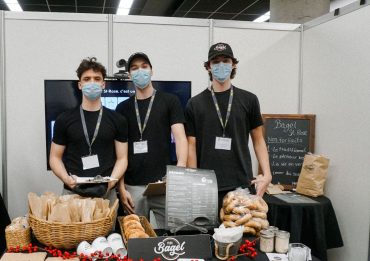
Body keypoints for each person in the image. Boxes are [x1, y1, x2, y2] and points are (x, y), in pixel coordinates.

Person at [185, 42, 272, 210]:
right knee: (208, 235)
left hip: (241, 183)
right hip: (206, 185)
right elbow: (191, 145)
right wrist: (195, 181)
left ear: (234, 65)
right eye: (215, 62)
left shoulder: (249, 100)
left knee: (242, 233)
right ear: (208, 67)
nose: (221, 65)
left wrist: (267, 174)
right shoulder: (194, 104)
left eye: (226, 60)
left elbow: (259, 140)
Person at [116, 52, 188, 228]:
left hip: (163, 185)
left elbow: (180, 139)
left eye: (144, 66)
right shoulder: (122, 108)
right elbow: (119, 153)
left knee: (171, 238)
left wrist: (178, 174)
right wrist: (121, 188)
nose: (140, 71)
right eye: (134, 68)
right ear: (129, 75)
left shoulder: (170, 101)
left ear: (151, 70)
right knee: (136, 239)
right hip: (133, 188)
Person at [50, 57, 128, 204]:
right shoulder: (64, 119)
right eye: (87, 79)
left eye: (97, 78)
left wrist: (110, 184)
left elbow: (122, 158)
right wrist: (66, 179)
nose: (92, 82)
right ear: (80, 85)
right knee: (70, 229)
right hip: (72, 193)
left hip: (106, 195)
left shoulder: (118, 120)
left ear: (103, 84)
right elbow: (54, 157)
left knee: (107, 228)